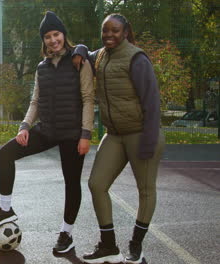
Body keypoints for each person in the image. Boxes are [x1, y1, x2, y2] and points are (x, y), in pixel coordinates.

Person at [0, 11, 94, 254]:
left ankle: (66, 234)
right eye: (48, 36)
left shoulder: (78, 62)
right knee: (6, 153)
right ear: (43, 40)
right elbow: (35, 101)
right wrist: (24, 127)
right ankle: (5, 208)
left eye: (56, 34)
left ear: (64, 35)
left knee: (71, 183)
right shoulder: (41, 67)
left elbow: (88, 99)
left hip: (73, 134)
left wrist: (86, 134)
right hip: (46, 129)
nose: (53, 40)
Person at [73, 14, 165, 264]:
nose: (109, 35)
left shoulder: (137, 58)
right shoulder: (101, 55)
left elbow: (152, 102)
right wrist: (81, 50)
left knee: (145, 190)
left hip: (141, 134)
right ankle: (108, 246)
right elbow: (83, 51)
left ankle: (136, 245)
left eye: (114, 31)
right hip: (114, 135)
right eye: (105, 31)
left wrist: (148, 141)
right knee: (96, 184)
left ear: (125, 32)